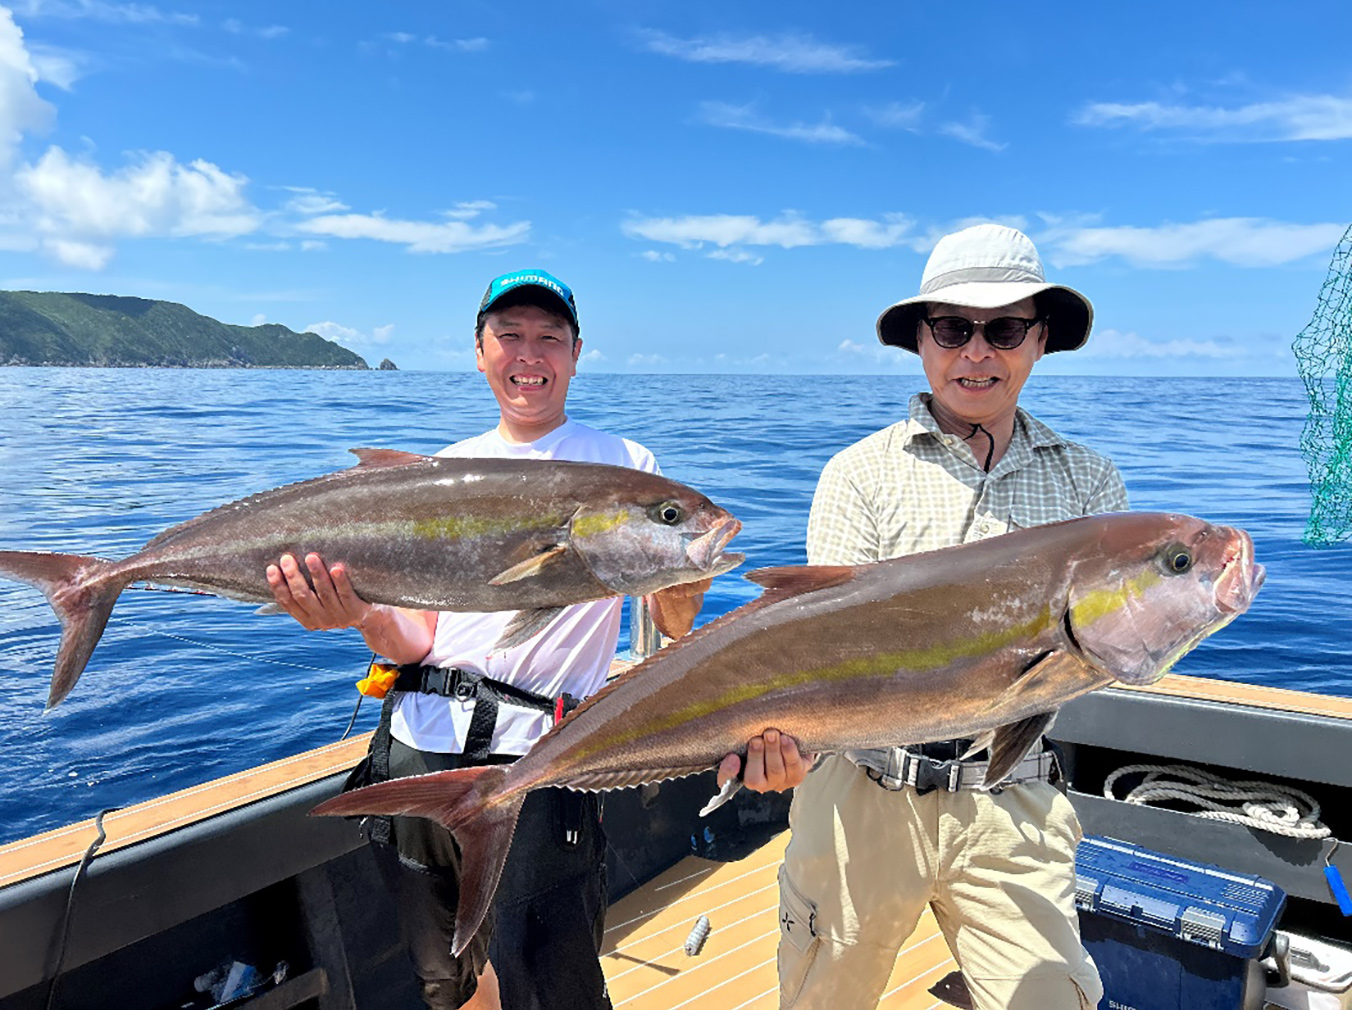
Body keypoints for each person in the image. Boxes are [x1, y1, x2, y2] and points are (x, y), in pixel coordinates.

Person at [265, 269, 711, 1010]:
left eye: (548, 337)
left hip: (536, 761)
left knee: (552, 982)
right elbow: (415, 642)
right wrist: (357, 615)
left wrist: (686, 576)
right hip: (416, 744)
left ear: (575, 352)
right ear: (479, 352)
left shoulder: (625, 467)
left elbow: (671, 621)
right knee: (447, 982)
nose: (527, 353)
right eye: (509, 336)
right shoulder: (442, 472)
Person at [725, 224, 1127, 1010]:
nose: (977, 352)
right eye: (953, 328)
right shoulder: (859, 475)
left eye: (1005, 328)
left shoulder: (1090, 484)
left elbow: (1108, 646)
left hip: (1012, 790)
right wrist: (786, 744)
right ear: (921, 340)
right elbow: (824, 655)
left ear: (1040, 340)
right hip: (863, 788)